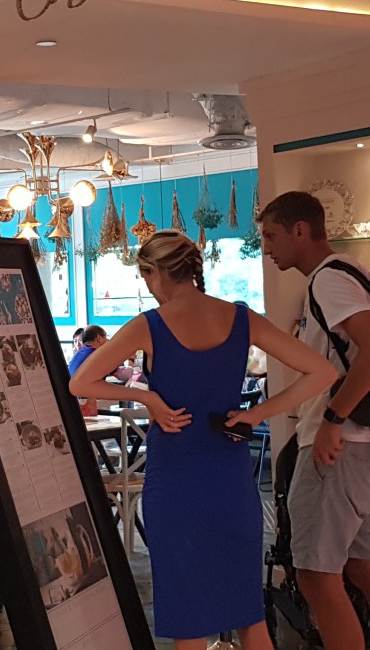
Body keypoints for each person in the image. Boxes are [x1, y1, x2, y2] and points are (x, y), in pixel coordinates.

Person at [70, 230, 336, 649]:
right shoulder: (241, 318)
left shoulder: (149, 325)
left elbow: (79, 382)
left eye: (145, 277)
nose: (148, 286)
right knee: (249, 615)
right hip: (230, 479)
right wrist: (256, 414)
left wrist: (147, 397)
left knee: (188, 618)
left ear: (154, 272)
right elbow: (323, 371)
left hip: (175, 479)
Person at [258, 191, 370, 650]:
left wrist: (332, 419)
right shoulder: (351, 272)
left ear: (300, 230)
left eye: (271, 235)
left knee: (315, 575)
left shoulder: (328, 279)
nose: (267, 248)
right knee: (359, 566)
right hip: (358, 444)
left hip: (340, 445)